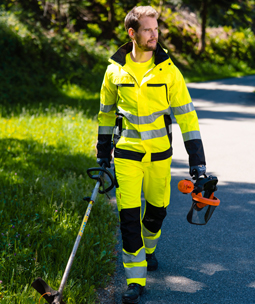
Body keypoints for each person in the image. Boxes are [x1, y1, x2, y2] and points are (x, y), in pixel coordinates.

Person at [96, 5, 206, 304]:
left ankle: (150, 247)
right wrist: (103, 153)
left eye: (156, 29)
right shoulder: (114, 71)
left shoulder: (168, 70)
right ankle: (135, 279)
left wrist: (197, 161)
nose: (154, 34)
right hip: (127, 154)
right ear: (132, 33)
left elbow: (187, 116)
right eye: (148, 29)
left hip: (159, 155)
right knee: (128, 216)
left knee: (157, 210)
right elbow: (105, 114)